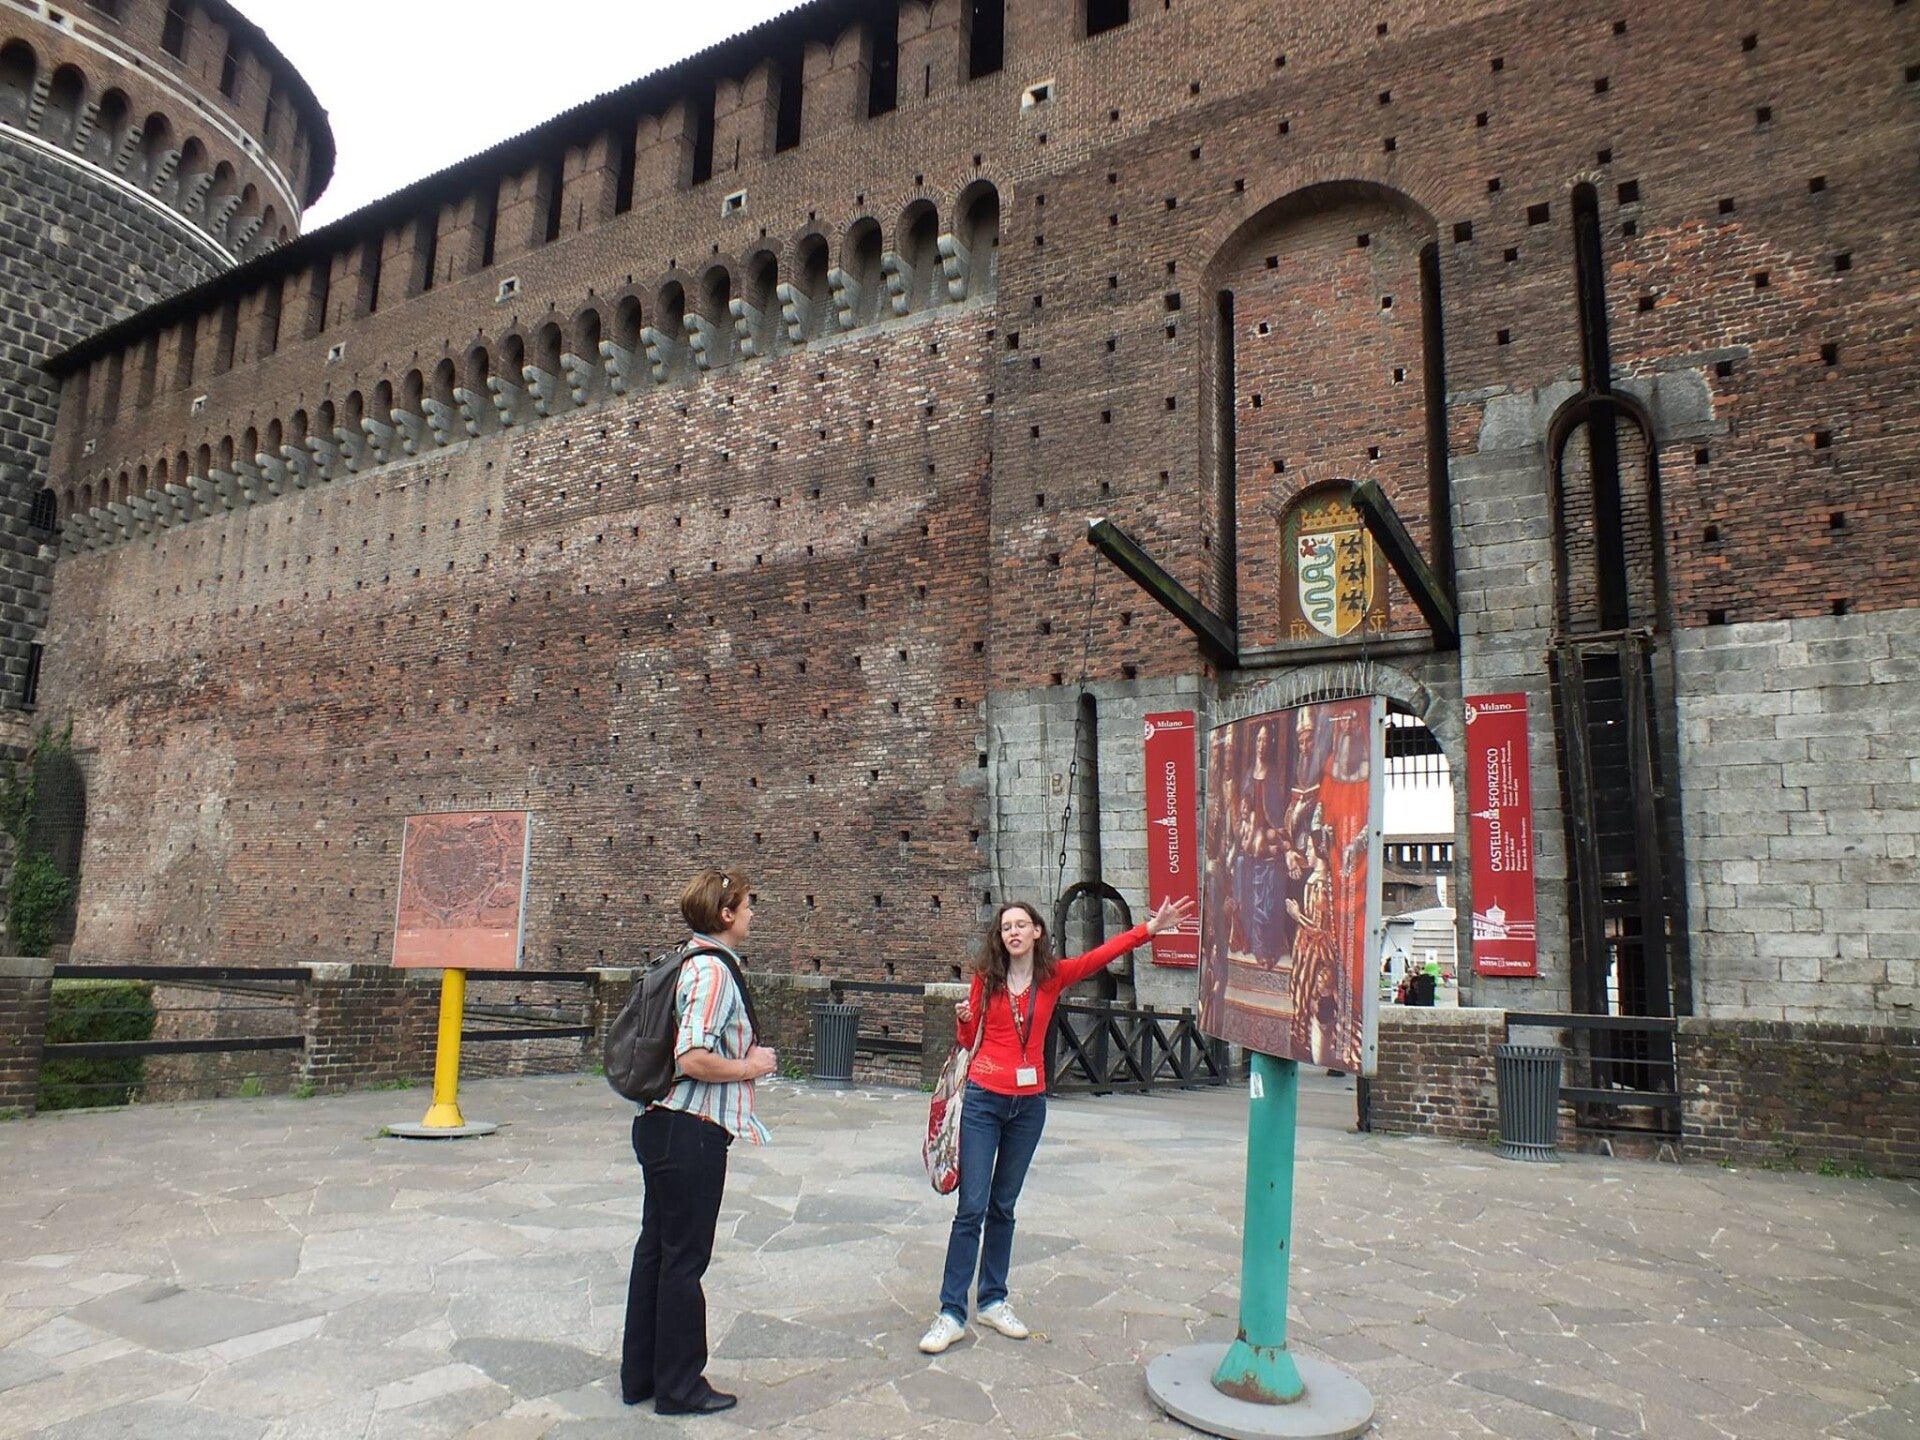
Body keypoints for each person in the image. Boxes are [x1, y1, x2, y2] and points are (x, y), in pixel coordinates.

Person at [918, 892, 1198, 1355]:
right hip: (985, 1100)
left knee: (1004, 1206)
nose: (1012, 931)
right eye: (1005, 926)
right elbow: (969, 1040)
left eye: (1020, 924)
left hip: (1028, 1106)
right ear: (1000, 937)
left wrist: (1148, 930)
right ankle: (950, 1312)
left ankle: (992, 1299)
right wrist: (963, 1021)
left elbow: (1099, 956)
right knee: (972, 1207)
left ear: (1037, 932)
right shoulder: (985, 980)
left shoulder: (1052, 979)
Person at [621, 867, 778, 1417]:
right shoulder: (712, 972)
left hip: (660, 1125)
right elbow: (692, 1058)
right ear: (726, 914)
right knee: (684, 1262)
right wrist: (750, 1065)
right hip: (690, 1132)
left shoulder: (683, 960)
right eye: (748, 905)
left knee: (657, 1253)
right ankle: (681, 1387)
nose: (754, 914)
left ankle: (642, 1376)